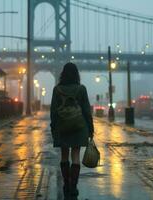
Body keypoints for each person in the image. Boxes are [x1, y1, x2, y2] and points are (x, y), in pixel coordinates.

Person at [50, 62, 94, 198]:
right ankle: (73, 187)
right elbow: (87, 110)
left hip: (62, 126)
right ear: (76, 74)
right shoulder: (81, 89)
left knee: (64, 155)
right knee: (75, 156)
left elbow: (53, 112)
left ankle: (66, 184)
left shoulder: (57, 90)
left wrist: (53, 127)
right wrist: (91, 128)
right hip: (78, 127)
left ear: (63, 74)